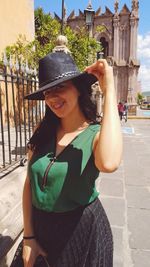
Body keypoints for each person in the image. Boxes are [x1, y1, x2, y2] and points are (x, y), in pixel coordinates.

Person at [21, 51, 122, 267]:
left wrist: (110, 90)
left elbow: (109, 163)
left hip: (82, 232)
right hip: (40, 230)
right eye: (47, 92)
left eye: (60, 87)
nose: (52, 98)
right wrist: (29, 237)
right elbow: (30, 183)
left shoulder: (95, 134)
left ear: (78, 89)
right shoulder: (44, 130)